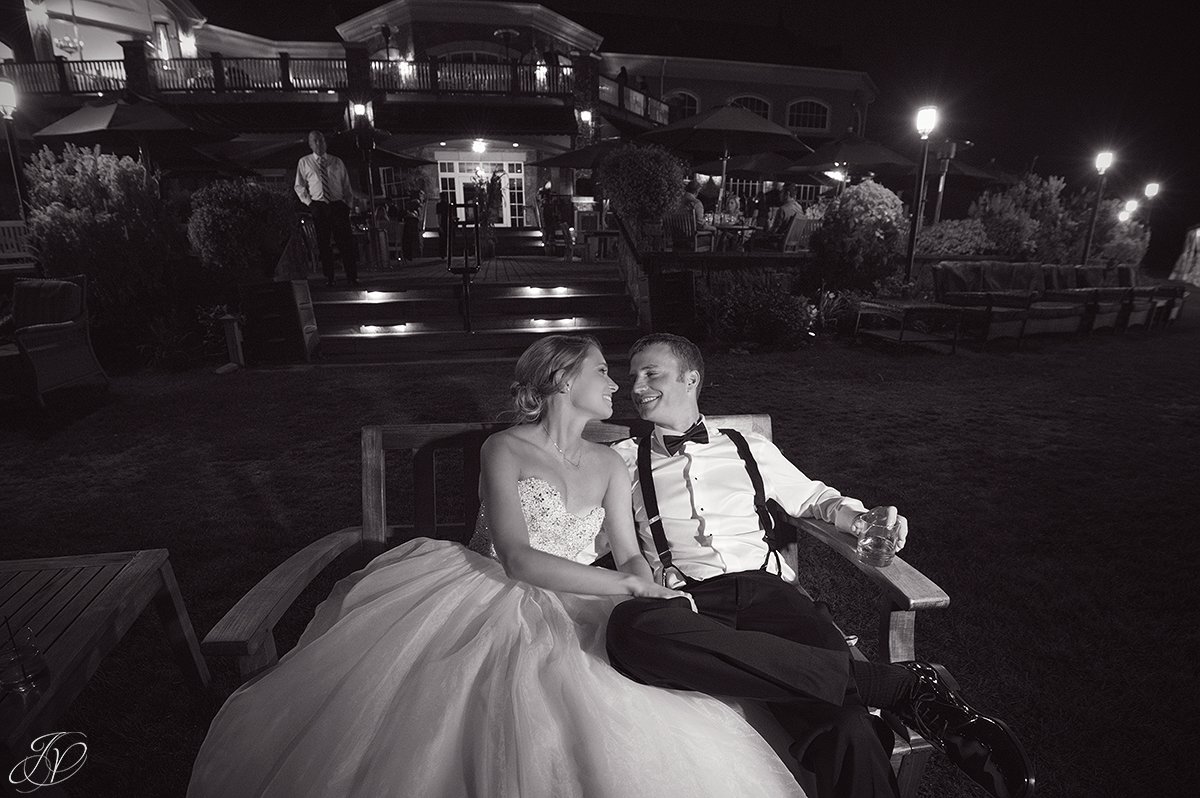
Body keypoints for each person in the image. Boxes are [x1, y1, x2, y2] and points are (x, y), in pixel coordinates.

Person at [188, 335, 811, 798]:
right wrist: (624, 582)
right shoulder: (504, 448)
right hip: (483, 588)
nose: (617, 386)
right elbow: (514, 555)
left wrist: (645, 585)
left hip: (584, 590)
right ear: (565, 379)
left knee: (634, 686)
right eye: (603, 371)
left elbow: (626, 547)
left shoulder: (612, 464)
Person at [599, 333, 1036, 798]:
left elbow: (814, 499)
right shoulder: (619, 461)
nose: (637, 387)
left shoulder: (747, 447)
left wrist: (861, 517)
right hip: (688, 603)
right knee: (630, 632)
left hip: (773, 598)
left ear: (691, 378)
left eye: (652, 374)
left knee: (847, 729)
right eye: (632, 378)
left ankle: (877, 696)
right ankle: (896, 686)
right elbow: (584, 534)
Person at [294, 130, 360, 287]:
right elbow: (299, 185)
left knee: (345, 241)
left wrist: (347, 205)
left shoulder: (336, 162)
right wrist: (309, 203)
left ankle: (352, 276)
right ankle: (329, 277)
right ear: (310, 144)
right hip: (319, 204)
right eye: (315, 141)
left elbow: (346, 184)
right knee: (324, 243)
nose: (318, 144)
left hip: (337, 204)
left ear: (325, 142)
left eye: (321, 140)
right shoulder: (304, 162)